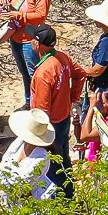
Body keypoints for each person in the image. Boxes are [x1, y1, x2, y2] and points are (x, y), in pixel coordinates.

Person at [28, 25, 84, 188]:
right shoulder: (62, 57)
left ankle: (62, 198)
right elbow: (80, 74)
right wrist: (73, 98)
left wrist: (36, 139)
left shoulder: (43, 73)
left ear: (37, 44)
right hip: (64, 119)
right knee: (64, 159)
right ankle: (70, 193)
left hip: (51, 126)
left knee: (53, 168)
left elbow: (42, 112)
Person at [0, 0, 51, 108]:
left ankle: (39, 103)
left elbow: (41, 16)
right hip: (15, 37)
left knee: (34, 73)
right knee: (24, 72)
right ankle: (29, 101)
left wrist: (19, 15)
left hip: (30, 40)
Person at [0, 107, 61, 198]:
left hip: (33, 199)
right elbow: (5, 162)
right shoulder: (20, 142)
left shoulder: (42, 158)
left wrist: (7, 175)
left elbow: (23, 185)